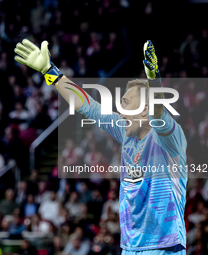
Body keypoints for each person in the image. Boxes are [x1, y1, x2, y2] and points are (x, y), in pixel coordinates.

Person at [14, 39, 187, 254]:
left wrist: (154, 82)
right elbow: (86, 105)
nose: (120, 109)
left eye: (125, 103)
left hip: (163, 246)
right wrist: (50, 71)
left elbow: (159, 114)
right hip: (130, 247)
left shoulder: (170, 139)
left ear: (144, 110)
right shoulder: (126, 132)